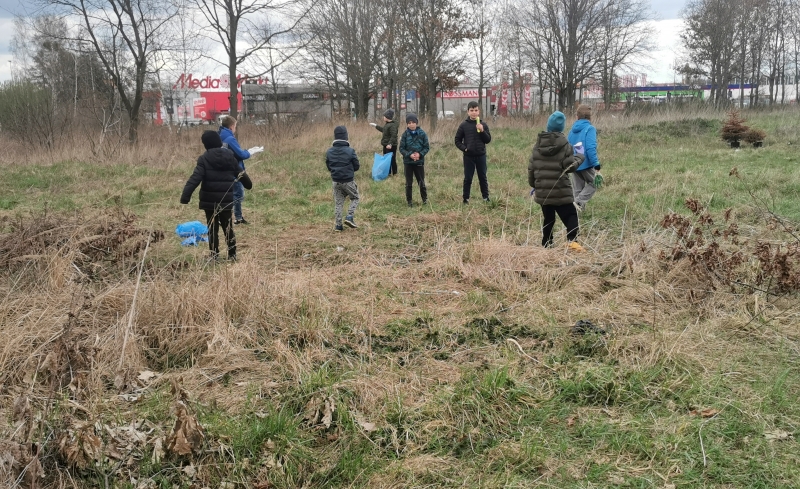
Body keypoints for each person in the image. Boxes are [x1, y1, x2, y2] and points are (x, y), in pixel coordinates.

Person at [180, 130, 253, 262]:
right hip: (226, 199)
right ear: (219, 142)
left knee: (212, 228)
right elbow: (240, 173)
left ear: (205, 145)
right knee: (228, 227)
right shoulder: (230, 156)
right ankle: (232, 254)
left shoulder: (204, 159)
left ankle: (214, 255)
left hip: (209, 201)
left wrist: (186, 196)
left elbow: (195, 178)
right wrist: (248, 184)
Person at [528, 111, 586, 252]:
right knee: (571, 215)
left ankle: (546, 243)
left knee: (548, 219)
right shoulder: (566, 146)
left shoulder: (538, 146)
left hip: (544, 193)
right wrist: (580, 155)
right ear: (562, 128)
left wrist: (535, 185)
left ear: (548, 126)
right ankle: (572, 240)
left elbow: (531, 168)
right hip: (561, 191)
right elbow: (570, 166)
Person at [218, 115, 263, 224]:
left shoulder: (220, 136)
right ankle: (227, 216)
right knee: (238, 195)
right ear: (231, 126)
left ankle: (237, 218)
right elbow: (241, 155)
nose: (235, 129)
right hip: (234, 171)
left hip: (224, 170)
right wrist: (251, 151)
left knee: (229, 194)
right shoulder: (229, 138)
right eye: (235, 126)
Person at [567, 105, 603, 212]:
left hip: (574, 163)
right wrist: (596, 163)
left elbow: (568, 146)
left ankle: (577, 213)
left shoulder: (571, 130)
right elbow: (590, 148)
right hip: (586, 163)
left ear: (577, 116)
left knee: (578, 189)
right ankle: (578, 201)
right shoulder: (590, 129)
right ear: (589, 117)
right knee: (596, 183)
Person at [455, 101, 492, 204]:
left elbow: (488, 140)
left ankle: (485, 198)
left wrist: (482, 130)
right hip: (468, 157)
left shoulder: (483, 124)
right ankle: (465, 199)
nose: (474, 113)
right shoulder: (463, 125)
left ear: (479, 111)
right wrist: (465, 148)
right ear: (468, 112)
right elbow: (457, 140)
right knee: (468, 178)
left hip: (481, 155)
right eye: (471, 110)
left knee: (482, 177)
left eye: (476, 110)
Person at [325, 125, 360, 231]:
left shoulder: (329, 151)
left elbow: (329, 166)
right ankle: (349, 216)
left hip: (335, 181)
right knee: (355, 197)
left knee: (339, 203)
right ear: (346, 137)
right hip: (348, 180)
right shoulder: (350, 151)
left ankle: (338, 225)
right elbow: (357, 166)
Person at [398, 113, 429, 207]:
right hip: (408, 163)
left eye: (413, 122)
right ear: (407, 124)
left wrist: (420, 154)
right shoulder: (404, 135)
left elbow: (426, 147)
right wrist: (409, 155)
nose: (411, 124)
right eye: (409, 123)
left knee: (421, 182)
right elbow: (401, 148)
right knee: (409, 183)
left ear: (416, 123)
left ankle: (424, 200)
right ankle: (409, 201)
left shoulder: (422, 134)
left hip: (419, 162)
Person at [370, 109, 399, 176]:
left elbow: (393, 135)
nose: (383, 117)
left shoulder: (392, 126)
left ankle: (395, 173)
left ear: (387, 117)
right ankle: (388, 173)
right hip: (386, 145)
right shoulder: (388, 124)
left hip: (391, 146)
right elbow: (384, 130)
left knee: (392, 160)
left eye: (384, 116)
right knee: (386, 160)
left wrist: (390, 144)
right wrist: (375, 126)